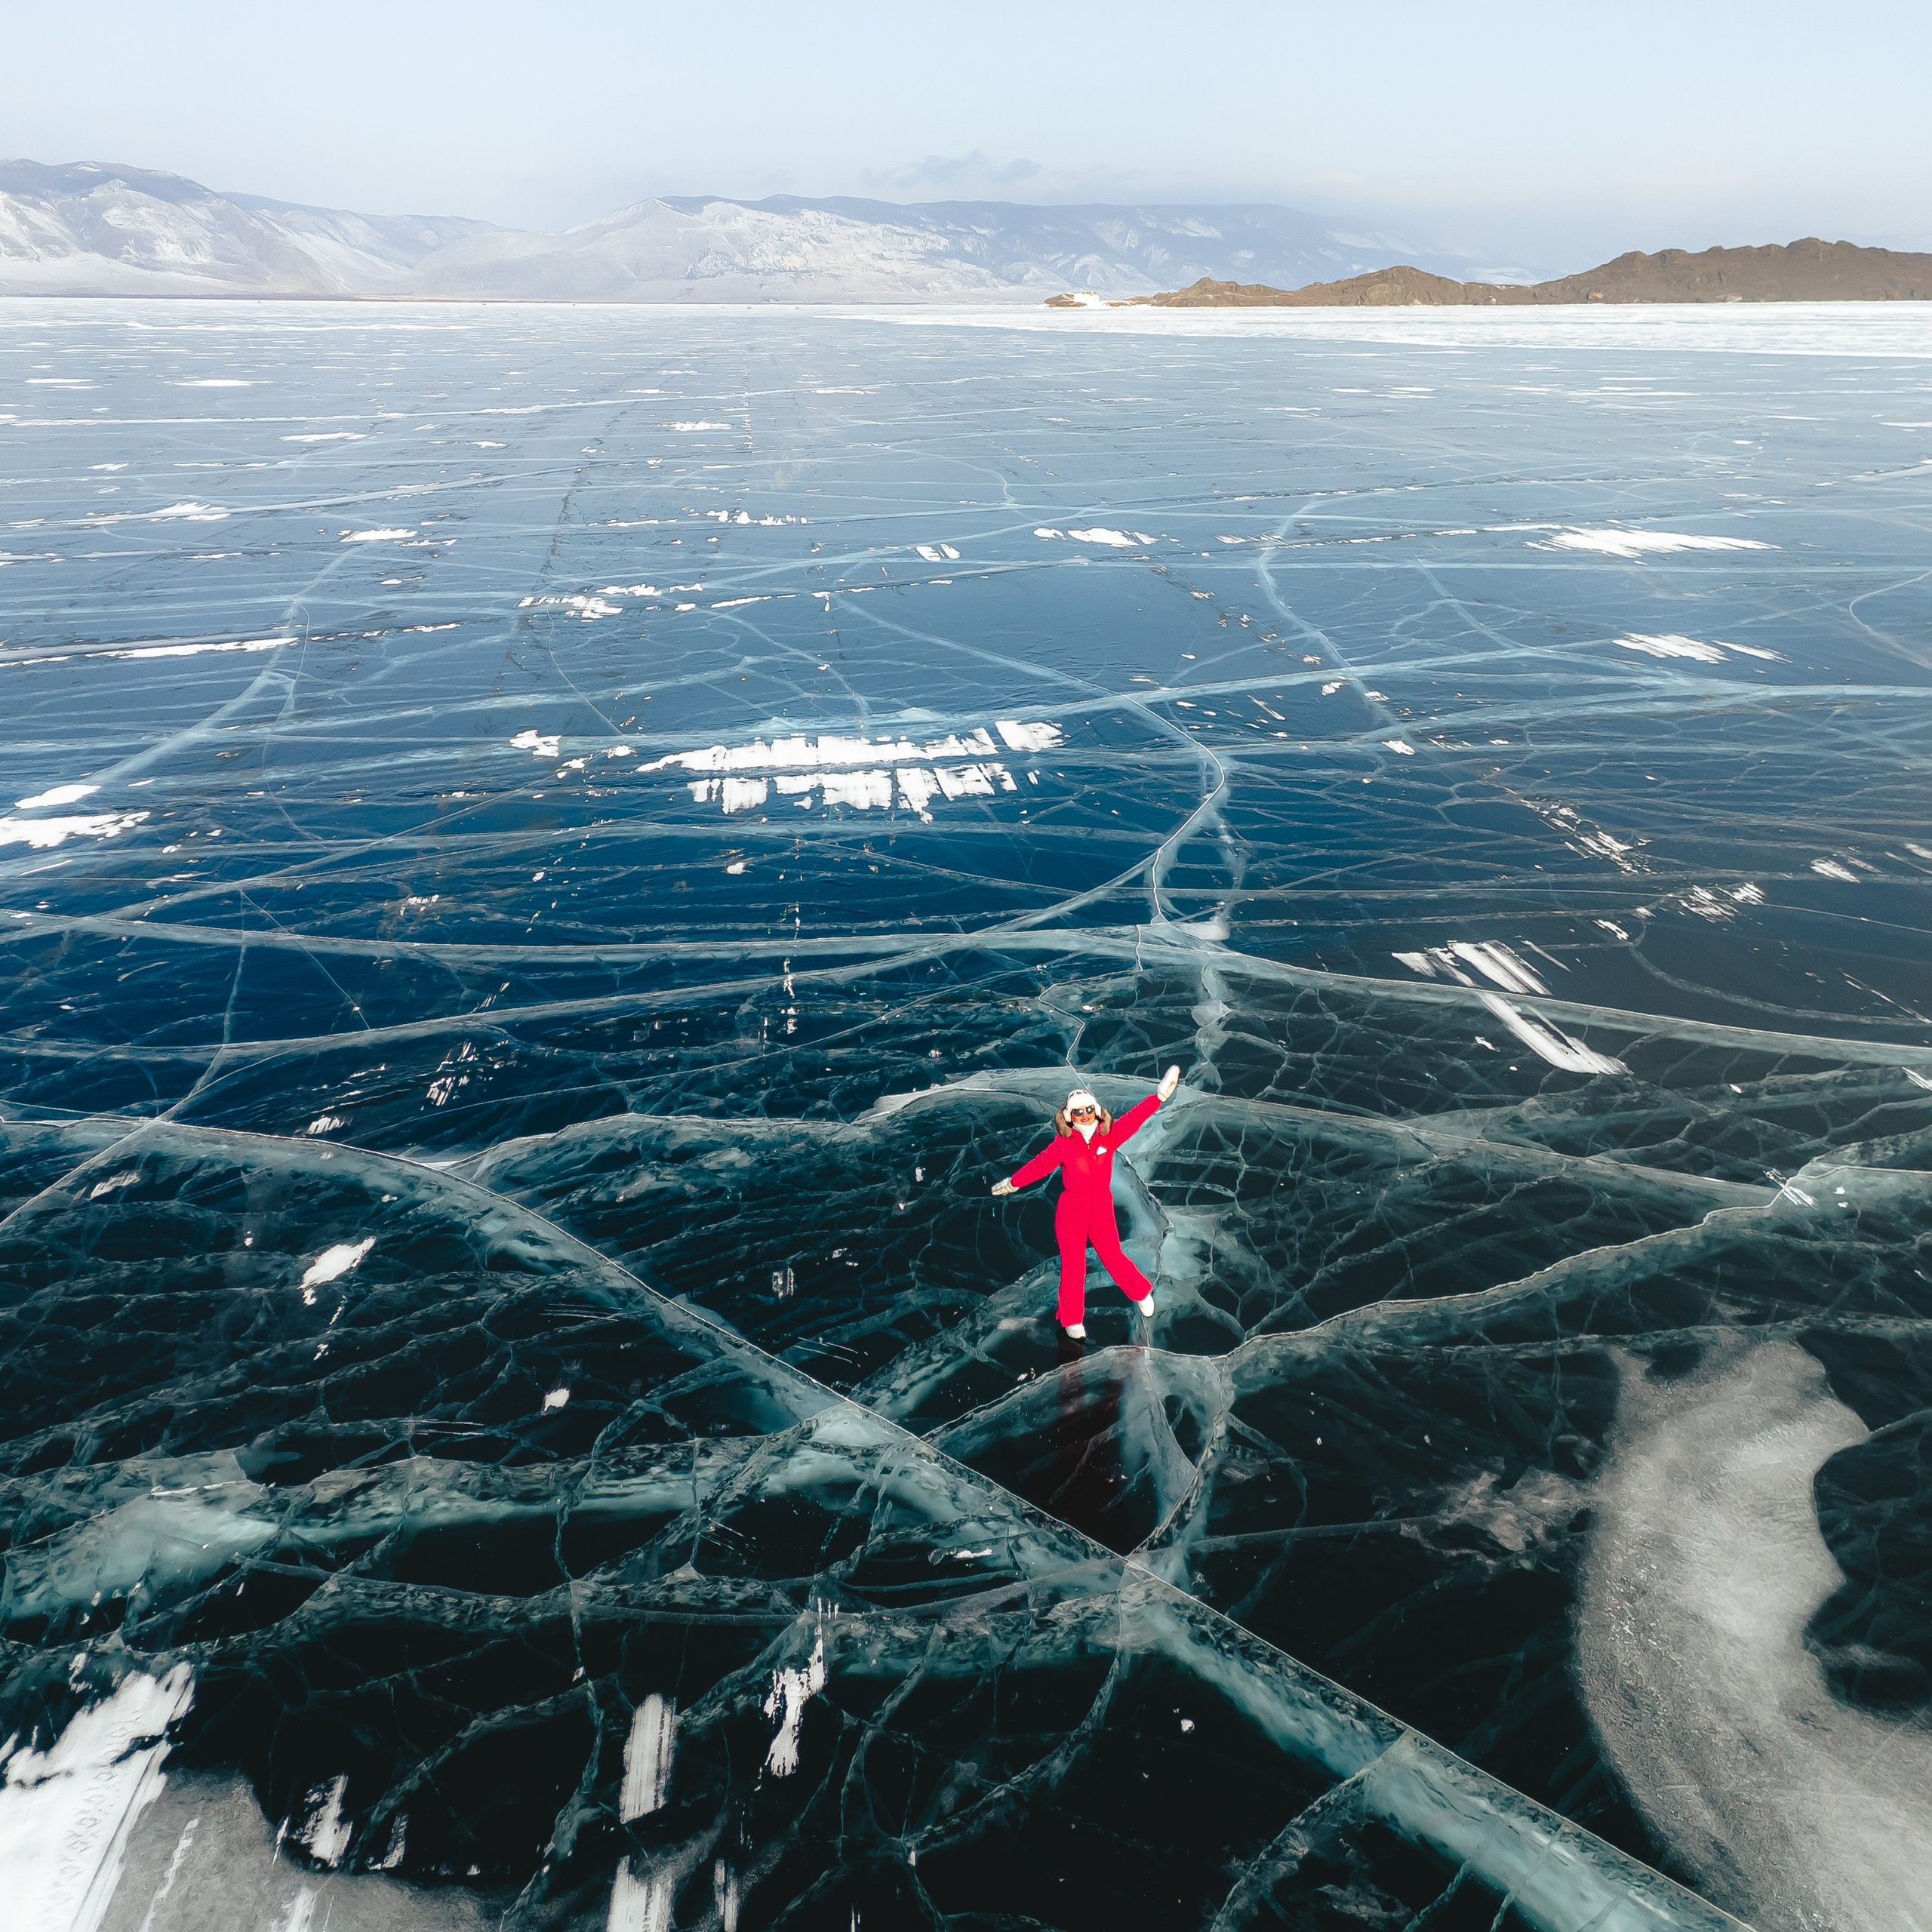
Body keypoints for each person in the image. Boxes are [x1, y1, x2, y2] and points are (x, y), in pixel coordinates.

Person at [992, 1066, 1181, 1338]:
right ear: (1069, 1117)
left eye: (1088, 1110)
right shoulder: (1063, 1145)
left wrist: (1158, 1097)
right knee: (1073, 1267)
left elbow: (1134, 1119)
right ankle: (1072, 1320)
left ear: (1097, 1110)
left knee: (1113, 1257)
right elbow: (1039, 1166)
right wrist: (1013, 1183)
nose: (1084, 1115)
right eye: (1077, 1112)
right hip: (1072, 1212)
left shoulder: (1109, 1136)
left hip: (1101, 1209)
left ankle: (1140, 1293)